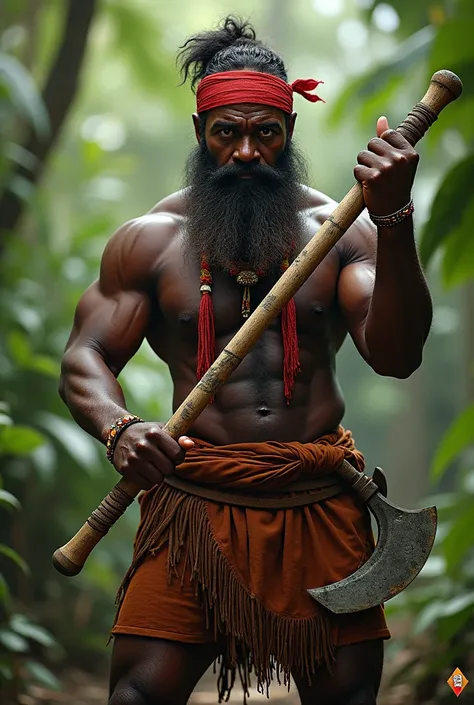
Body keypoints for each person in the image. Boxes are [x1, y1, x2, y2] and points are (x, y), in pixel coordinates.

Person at [59, 16, 433, 705]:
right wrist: (120, 427)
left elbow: (397, 354)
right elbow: (84, 355)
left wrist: (394, 218)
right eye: (226, 133)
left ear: (290, 131)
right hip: (195, 504)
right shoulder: (149, 242)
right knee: (138, 695)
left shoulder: (341, 231)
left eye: (267, 133)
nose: (246, 152)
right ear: (200, 133)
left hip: (319, 501)